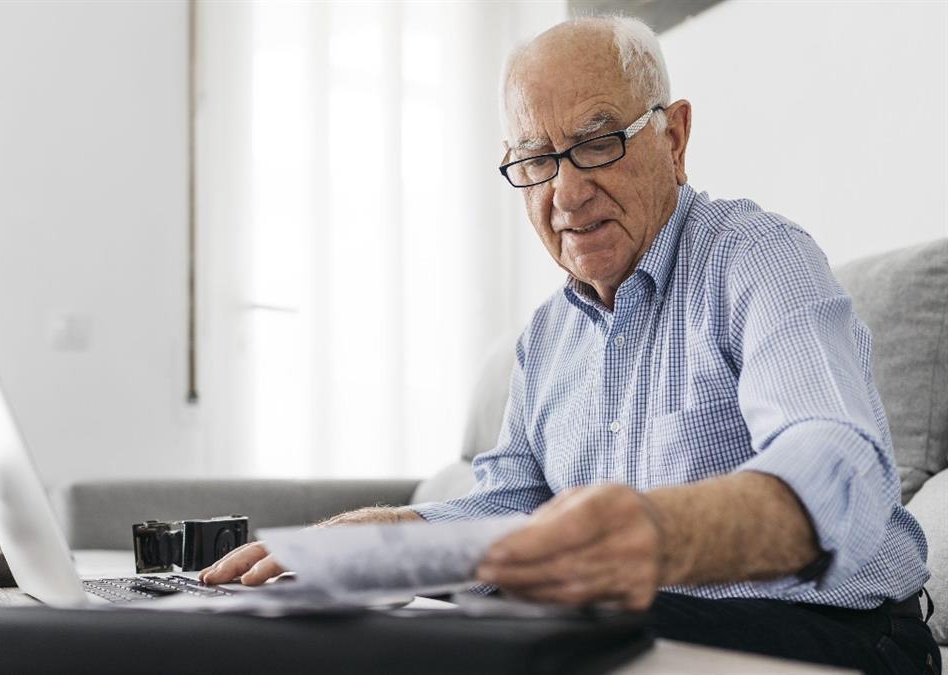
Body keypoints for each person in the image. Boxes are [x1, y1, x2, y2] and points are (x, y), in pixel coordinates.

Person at [201, 15, 940, 673]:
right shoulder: (547, 337)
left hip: (841, 634)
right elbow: (509, 504)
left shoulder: (756, 257)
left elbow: (840, 462)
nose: (565, 193)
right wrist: (380, 539)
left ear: (674, 138)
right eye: (536, 160)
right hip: (643, 620)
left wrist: (658, 533)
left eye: (595, 143)